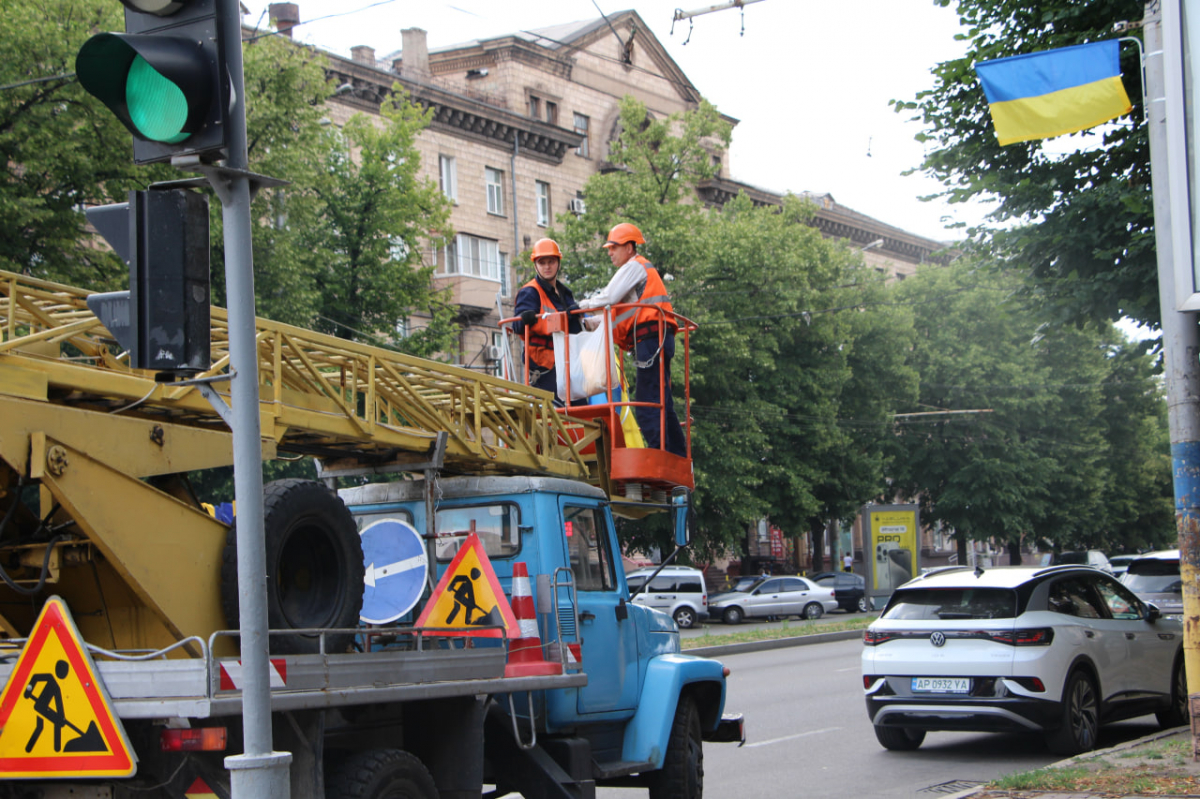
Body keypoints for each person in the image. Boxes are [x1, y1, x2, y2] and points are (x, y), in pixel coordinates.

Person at [577, 222, 686, 457]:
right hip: (656, 338)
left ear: (628, 247)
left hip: (650, 339)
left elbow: (608, 297)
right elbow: (617, 316)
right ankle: (677, 455)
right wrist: (586, 323)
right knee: (662, 402)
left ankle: (660, 457)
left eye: (613, 247)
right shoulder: (636, 286)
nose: (609, 252)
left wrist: (578, 308)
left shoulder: (634, 267)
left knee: (648, 405)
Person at [510, 238, 596, 399]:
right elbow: (518, 326)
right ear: (536, 265)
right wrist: (527, 319)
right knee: (556, 413)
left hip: (570, 363)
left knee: (578, 412)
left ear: (558, 263)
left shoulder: (565, 293)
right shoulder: (530, 292)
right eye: (542, 262)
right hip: (544, 366)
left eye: (551, 261)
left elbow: (575, 327)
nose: (547, 266)